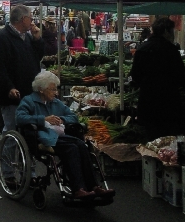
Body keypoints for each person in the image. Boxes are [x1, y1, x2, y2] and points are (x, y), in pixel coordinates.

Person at [16, 71, 115, 199]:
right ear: (41, 89)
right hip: (41, 137)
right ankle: (78, 188)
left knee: (82, 145)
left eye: (55, 89)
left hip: (58, 136)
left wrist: (62, 120)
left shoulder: (56, 103)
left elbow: (73, 117)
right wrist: (43, 119)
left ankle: (94, 186)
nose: (56, 92)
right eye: (52, 89)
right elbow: (20, 118)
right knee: (72, 149)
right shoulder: (29, 101)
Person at [130, 17, 185, 139]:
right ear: (166, 31)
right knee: (167, 141)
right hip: (168, 103)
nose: (173, 35)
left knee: (150, 140)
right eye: (172, 31)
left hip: (147, 102)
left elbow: (135, 76)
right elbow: (181, 76)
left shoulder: (142, 49)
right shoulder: (171, 50)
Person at [0, 4, 44, 133]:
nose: (32, 21)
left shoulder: (26, 36)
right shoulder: (2, 38)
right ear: (23, 19)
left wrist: (38, 39)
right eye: (30, 18)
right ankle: (8, 153)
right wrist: (9, 87)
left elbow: (39, 56)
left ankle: (16, 153)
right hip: (12, 95)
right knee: (12, 129)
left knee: (25, 130)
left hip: (27, 92)